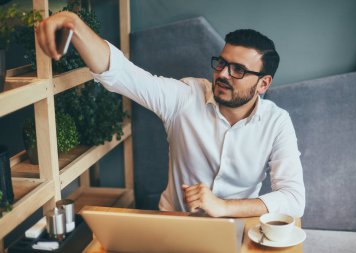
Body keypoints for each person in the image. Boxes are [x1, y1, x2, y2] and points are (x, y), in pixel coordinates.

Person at [36, 11, 305, 218]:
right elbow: (120, 74)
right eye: (222, 63)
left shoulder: (277, 123)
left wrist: (223, 207)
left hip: (237, 228)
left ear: (263, 84)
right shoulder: (184, 97)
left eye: (238, 70)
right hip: (174, 223)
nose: (222, 74)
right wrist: (74, 23)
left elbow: (294, 199)